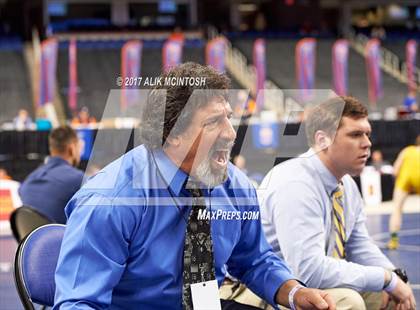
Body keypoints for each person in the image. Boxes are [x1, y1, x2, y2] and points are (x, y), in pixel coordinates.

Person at [53, 63, 335, 310]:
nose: (231, 132)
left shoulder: (234, 187)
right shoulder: (110, 200)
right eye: (214, 122)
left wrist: (296, 292)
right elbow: (79, 303)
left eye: (228, 117)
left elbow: (255, 260)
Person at [259, 96, 416, 310]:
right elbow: (309, 272)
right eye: (355, 134)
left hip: (300, 283)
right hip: (267, 289)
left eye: (367, 134)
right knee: (349, 302)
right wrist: (385, 278)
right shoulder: (295, 183)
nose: (367, 143)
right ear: (323, 139)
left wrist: (394, 276)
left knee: (391, 297)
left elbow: (359, 245)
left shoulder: (346, 185)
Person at [19, 126, 84, 224]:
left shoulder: (27, 181)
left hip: (31, 238)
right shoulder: (79, 179)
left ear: (52, 148)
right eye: (79, 147)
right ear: (72, 148)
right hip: (59, 238)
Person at [388, 135, 420, 250]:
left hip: (405, 179)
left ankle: (393, 241)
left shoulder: (407, 150)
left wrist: (398, 184)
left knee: (397, 209)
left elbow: (395, 170)